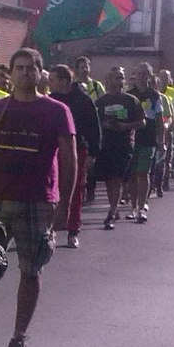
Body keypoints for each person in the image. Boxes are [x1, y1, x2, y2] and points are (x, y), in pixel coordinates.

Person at [0, 48, 76, 347]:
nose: (25, 73)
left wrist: (65, 206)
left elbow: (69, 160)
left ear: (41, 73)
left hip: (38, 201)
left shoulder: (57, 111)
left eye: (31, 68)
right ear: (11, 73)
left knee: (31, 270)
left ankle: (19, 337)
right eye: (19, 68)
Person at [47, 63, 99, 248]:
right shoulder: (50, 100)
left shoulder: (83, 99)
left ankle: (73, 230)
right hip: (54, 150)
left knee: (76, 190)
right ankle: (50, 229)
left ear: (63, 80)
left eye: (52, 80)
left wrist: (93, 153)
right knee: (52, 189)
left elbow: (94, 127)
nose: (49, 83)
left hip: (78, 149)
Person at [93, 67, 142, 229]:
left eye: (121, 77)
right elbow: (93, 122)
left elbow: (142, 122)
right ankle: (114, 206)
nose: (119, 81)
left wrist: (125, 126)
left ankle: (112, 212)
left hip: (124, 144)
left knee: (117, 179)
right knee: (109, 180)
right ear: (108, 81)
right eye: (116, 78)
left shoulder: (131, 100)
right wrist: (103, 124)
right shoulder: (100, 102)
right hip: (106, 144)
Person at [126, 64, 166, 223]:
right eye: (139, 74)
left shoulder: (154, 95)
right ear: (134, 75)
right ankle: (133, 207)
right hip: (131, 140)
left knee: (143, 173)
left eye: (144, 74)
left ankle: (142, 208)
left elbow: (159, 120)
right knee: (132, 175)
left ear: (149, 76)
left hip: (148, 140)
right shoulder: (128, 95)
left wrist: (161, 141)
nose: (141, 77)